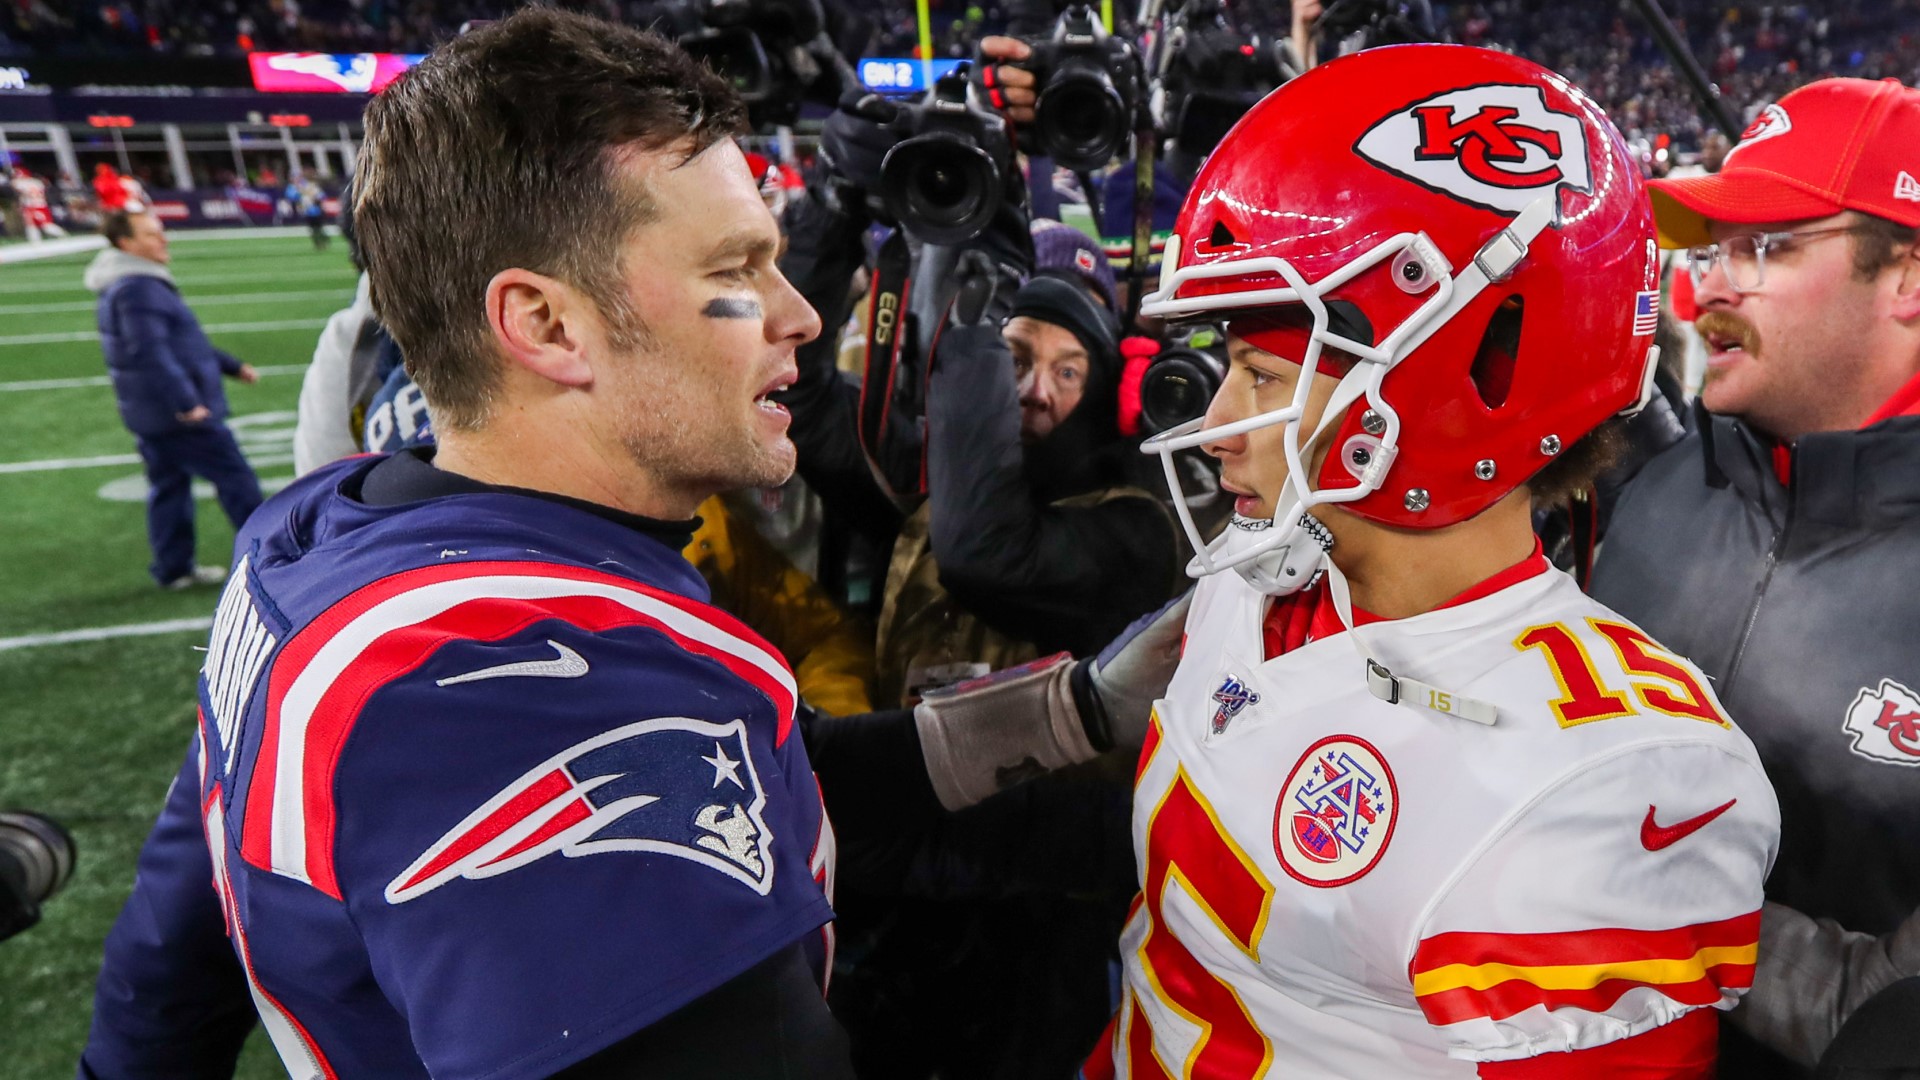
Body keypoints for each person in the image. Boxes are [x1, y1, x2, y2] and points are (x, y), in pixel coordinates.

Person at [79, 12, 1180, 1078]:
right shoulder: (512, 686)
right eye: (734, 272)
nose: (798, 315)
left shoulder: (321, 532)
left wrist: (1073, 712)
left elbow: (164, 968)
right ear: (548, 325)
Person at [1093, 44, 1778, 1077]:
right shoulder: (1260, 570)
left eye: (1263, 373)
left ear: (1454, 385)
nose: (1220, 424)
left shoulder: (1607, 775)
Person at [1589, 76, 1920, 1077]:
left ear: (1907, 279)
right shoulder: (1649, 477)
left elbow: (1892, 1012)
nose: (1708, 290)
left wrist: (1618, 890)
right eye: (1712, 250)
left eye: (1766, 247)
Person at [86, 209, 263, 589]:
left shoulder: (130, 283)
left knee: (169, 487)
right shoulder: (137, 287)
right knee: (236, 478)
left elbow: (183, 345)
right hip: (175, 414)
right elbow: (149, 350)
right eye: (151, 234)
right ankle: (272, 558)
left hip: (152, 412)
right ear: (126, 243)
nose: (163, 239)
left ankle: (174, 567)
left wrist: (230, 366)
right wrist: (185, 402)